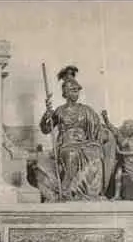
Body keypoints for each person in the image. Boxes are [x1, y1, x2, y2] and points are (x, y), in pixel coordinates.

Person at [39, 66, 109, 201]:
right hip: (66, 144)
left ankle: (91, 193)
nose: (76, 93)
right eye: (73, 90)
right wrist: (45, 116)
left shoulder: (86, 110)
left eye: (77, 90)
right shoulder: (59, 111)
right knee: (72, 154)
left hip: (85, 143)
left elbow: (98, 128)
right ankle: (66, 189)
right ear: (65, 93)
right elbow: (46, 129)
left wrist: (103, 133)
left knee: (96, 153)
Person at [101, 112, 133, 201]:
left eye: (128, 127)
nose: (125, 128)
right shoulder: (120, 136)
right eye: (126, 126)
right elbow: (111, 127)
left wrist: (120, 152)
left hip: (130, 162)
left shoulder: (131, 141)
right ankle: (117, 195)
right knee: (117, 177)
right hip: (121, 161)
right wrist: (105, 118)